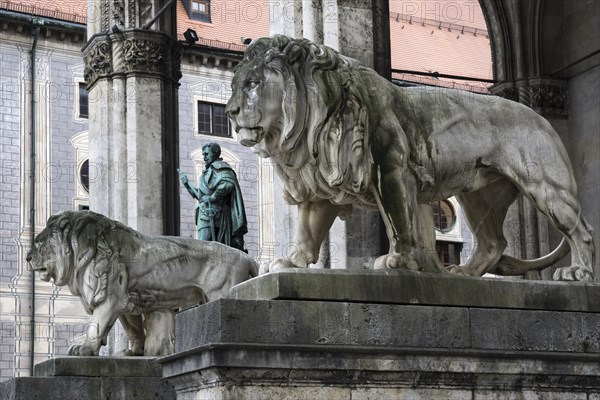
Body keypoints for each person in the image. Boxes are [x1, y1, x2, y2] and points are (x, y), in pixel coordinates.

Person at [178, 143, 248, 251]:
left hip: (215, 214)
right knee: (203, 246)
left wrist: (212, 198)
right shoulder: (205, 173)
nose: (204, 157)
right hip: (204, 214)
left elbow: (228, 184)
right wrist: (186, 183)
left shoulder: (222, 168)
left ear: (215, 153)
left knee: (202, 248)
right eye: (203, 155)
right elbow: (201, 196)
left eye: (206, 154)